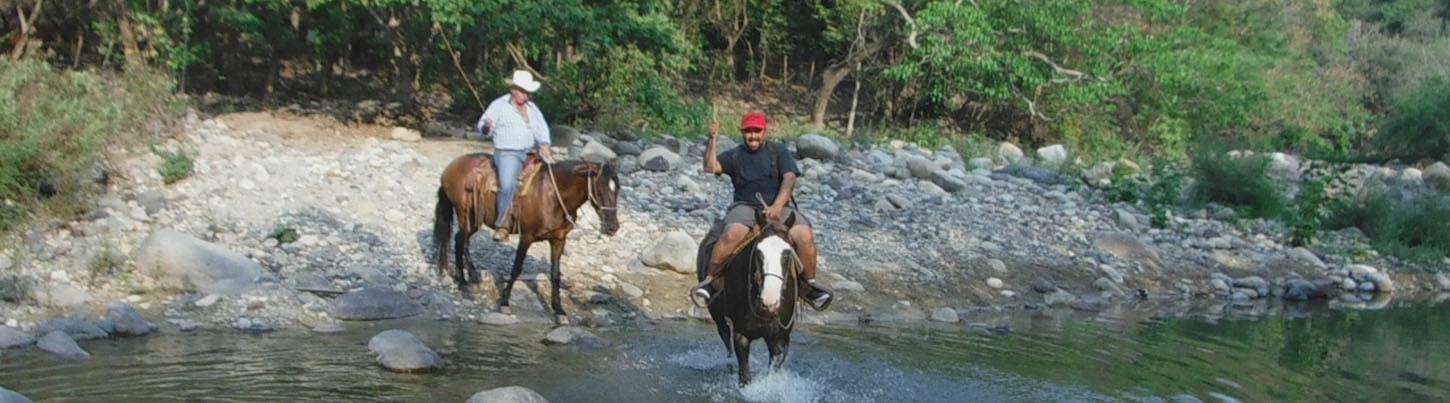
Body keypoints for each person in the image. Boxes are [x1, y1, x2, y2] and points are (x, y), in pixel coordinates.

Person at [692, 111, 833, 310]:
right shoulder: (735, 154)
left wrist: (777, 205)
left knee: (804, 235)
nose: (753, 136)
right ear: (743, 132)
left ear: (765, 131)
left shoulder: (778, 151)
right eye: (749, 131)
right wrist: (712, 139)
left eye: (757, 131)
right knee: (731, 234)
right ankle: (711, 282)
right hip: (745, 207)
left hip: (778, 206)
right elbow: (710, 167)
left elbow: (789, 178)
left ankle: (809, 285)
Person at [476, 70, 555, 242]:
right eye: (522, 91)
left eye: (527, 92)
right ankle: (502, 224)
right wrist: (487, 127)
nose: (525, 95)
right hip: (507, 153)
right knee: (507, 185)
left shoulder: (533, 109)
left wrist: (545, 143)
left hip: (530, 152)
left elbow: (542, 128)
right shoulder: (499, 105)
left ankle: (548, 218)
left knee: (551, 178)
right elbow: (482, 126)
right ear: (513, 89)